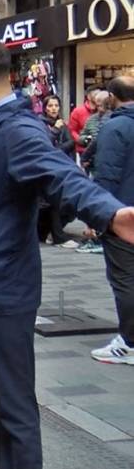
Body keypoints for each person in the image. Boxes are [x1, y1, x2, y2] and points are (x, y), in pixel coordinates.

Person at [0, 14, 134, 469]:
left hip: (2, 290)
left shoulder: (19, 132)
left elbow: (62, 177)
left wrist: (110, 213)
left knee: (13, 409)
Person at [91, 76, 134, 364]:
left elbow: (106, 174)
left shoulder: (114, 127)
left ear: (112, 96)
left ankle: (129, 342)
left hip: (121, 213)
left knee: (125, 278)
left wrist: (97, 215)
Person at [38, 95, 78, 248]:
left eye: (56, 105)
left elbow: (71, 143)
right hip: (46, 169)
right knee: (52, 202)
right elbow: (45, 146)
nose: (54, 109)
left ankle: (51, 232)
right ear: (45, 108)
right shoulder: (41, 124)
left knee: (64, 202)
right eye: (50, 106)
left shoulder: (63, 124)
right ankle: (57, 236)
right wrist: (55, 130)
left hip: (62, 167)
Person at [69, 86, 99, 156]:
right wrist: (81, 140)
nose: (98, 97)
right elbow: (72, 130)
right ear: (88, 96)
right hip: (83, 150)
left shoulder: (103, 111)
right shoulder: (78, 111)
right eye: (96, 94)